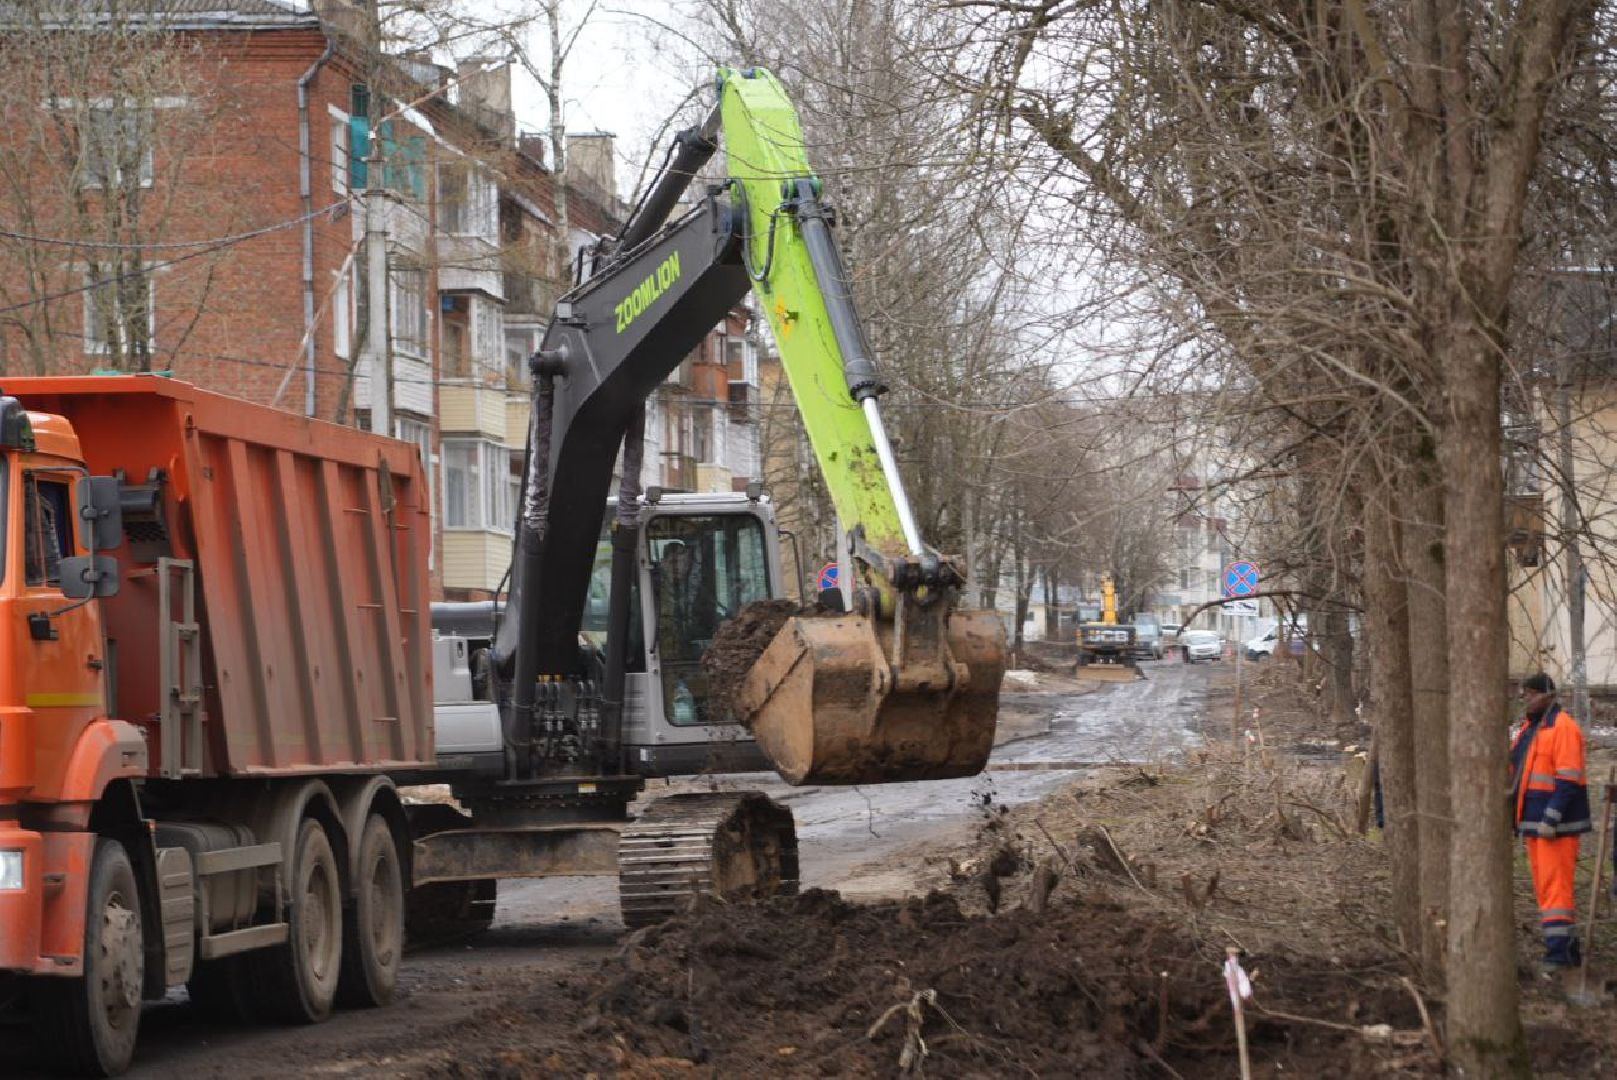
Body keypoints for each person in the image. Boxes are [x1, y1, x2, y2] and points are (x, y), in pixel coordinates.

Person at [1511, 672, 1591, 971]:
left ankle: (1560, 953)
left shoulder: (1563, 727)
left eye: (1531, 694)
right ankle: (1566, 949)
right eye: (1525, 695)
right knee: (1547, 889)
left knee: (1555, 889)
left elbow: (1568, 778)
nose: (1526, 700)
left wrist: (1551, 817)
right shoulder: (1531, 728)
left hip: (1555, 827)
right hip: (1534, 823)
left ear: (1547, 695)